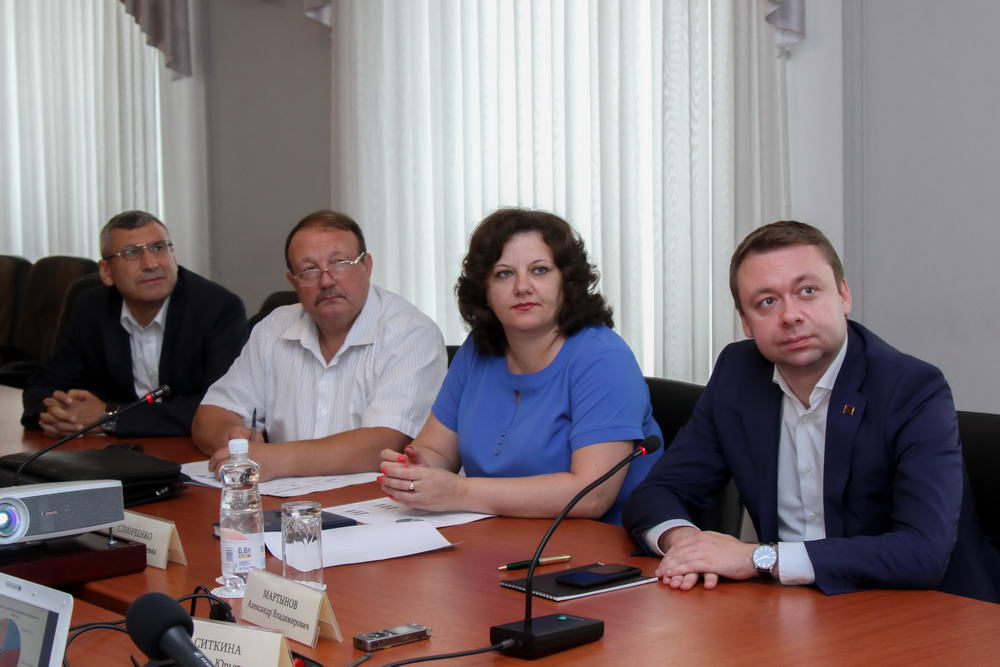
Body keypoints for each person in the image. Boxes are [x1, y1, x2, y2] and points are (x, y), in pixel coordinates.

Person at [623, 220, 1000, 602]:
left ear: (843, 295)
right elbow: (658, 492)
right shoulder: (739, 374)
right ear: (746, 322)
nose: (791, 315)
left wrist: (758, 558)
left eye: (807, 291)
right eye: (767, 301)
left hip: (926, 610)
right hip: (797, 606)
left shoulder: (911, 388)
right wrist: (688, 545)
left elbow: (922, 552)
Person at [378, 208, 661, 525]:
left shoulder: (603, 357)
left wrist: (458, 491)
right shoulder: (477, 350)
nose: (522, 287)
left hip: (600, 544)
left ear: (566, 282)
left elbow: (591, 495)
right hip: (499, 533)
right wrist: (415, 471)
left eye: (540, 270)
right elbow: (437, 449)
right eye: (504, 274)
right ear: (484, 291)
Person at [193, 209, 447, 481]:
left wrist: (276, 459)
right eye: (309, 270)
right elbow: (209, 416)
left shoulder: (411, 333)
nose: (326, 281)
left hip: (372, 498)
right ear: (293, 281)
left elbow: (385, 445)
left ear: (367, 266)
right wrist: (234, 438)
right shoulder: (273, 328)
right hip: (281, 498)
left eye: (340, 262)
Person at [21, 210, 248, 438]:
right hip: (112, 451)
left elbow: (221, 409)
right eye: (131, 253)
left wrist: (109, 416)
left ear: (173, 254)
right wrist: (61, 415)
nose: (150, 263)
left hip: (191, 451)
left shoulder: (217, 308)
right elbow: (43, 385)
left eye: (158, 247)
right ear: (106, 271)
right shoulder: (91, 307)